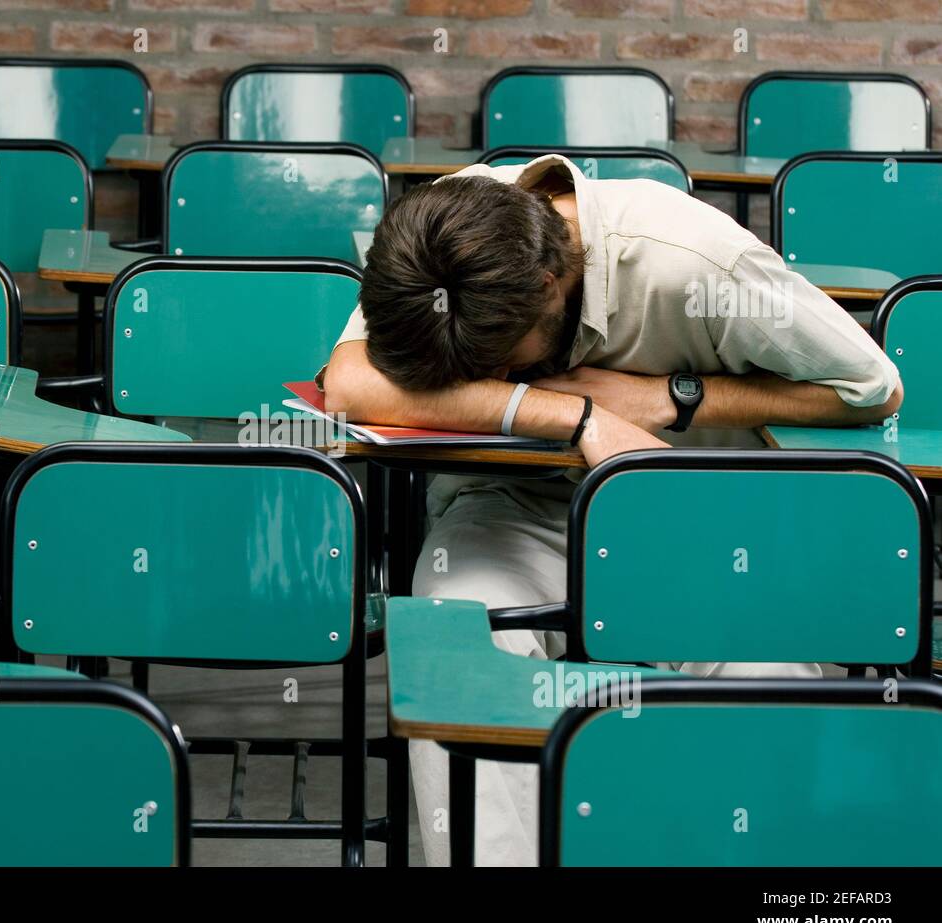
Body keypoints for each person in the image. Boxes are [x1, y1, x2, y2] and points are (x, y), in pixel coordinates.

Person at [320, 154, 902, 866]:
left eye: (497, 361)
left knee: (766, 664)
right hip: (511, 510)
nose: (485, 383)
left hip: (697, 517)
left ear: (546, 288)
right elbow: (349, 385)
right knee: (458, 627)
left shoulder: (695, 261)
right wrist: (575, 415)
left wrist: (675, 397)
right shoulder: (437, 236)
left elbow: (869, 388)